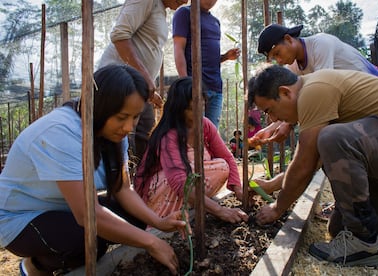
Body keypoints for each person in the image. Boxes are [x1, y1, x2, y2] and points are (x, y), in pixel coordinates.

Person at [0, 65, 187, 275]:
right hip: (20, 219)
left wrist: (158, 222)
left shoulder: (114, 135)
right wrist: (151, 243)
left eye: (134, 117)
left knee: (134, 219)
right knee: (88, 241)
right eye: (121, 117)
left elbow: (123, 189)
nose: (128, 127)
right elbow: (87, 215)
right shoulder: (61, 132)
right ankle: (36, 266)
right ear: (100, 107)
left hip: (63, 209)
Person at [248, 64, 378, 268]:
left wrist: (277, 207)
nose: (272, 119)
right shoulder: (312, 92)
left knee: (332, 137)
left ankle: (366, 245)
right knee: (339, 228)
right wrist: (271, 185)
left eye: (270, 110)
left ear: (284, 92)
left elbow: (304, 163)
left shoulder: (314, 90)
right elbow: (313, 160)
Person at [250, 23, 378, 146]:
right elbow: (292, 102)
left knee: (327, 139)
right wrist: (270, 129)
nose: (279, 61)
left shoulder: (321, 44)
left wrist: (288, 124)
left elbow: (322, 95)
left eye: (277, 53)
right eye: (274, 58)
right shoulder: (293, 67)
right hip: (355, 108)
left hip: (377, 96)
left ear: (288, 39)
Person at [134, 77, 248, 224]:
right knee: (184, 176)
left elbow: (228, 158)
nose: (198, 112)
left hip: (185, 188)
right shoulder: (169, 136)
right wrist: (220, 210)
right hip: (161, 191)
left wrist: (239, 191)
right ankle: (160, 220)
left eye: (201, 105)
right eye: (191, 108)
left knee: (222, 166)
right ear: (179, 109)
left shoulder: (205, 125)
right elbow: (179, 183)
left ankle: (193, 204)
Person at [99, 0, 188, 161]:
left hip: (137, 86)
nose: (186, 1)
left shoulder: (160, 9)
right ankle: (120, 179)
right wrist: (145, 77)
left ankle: (140, 181)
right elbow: (119, 35)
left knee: (145, 134)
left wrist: (150, 91)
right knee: (124, 136)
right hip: (119, 83)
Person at [172, 0, 240, 128]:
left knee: (211, 134)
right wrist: (186, 82)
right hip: (195, 86)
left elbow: (207, 57)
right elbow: (179, 48)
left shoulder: (215, 21)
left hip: (216, 88)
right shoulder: (184, 13)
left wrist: (225, 57)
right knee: (193, 133)